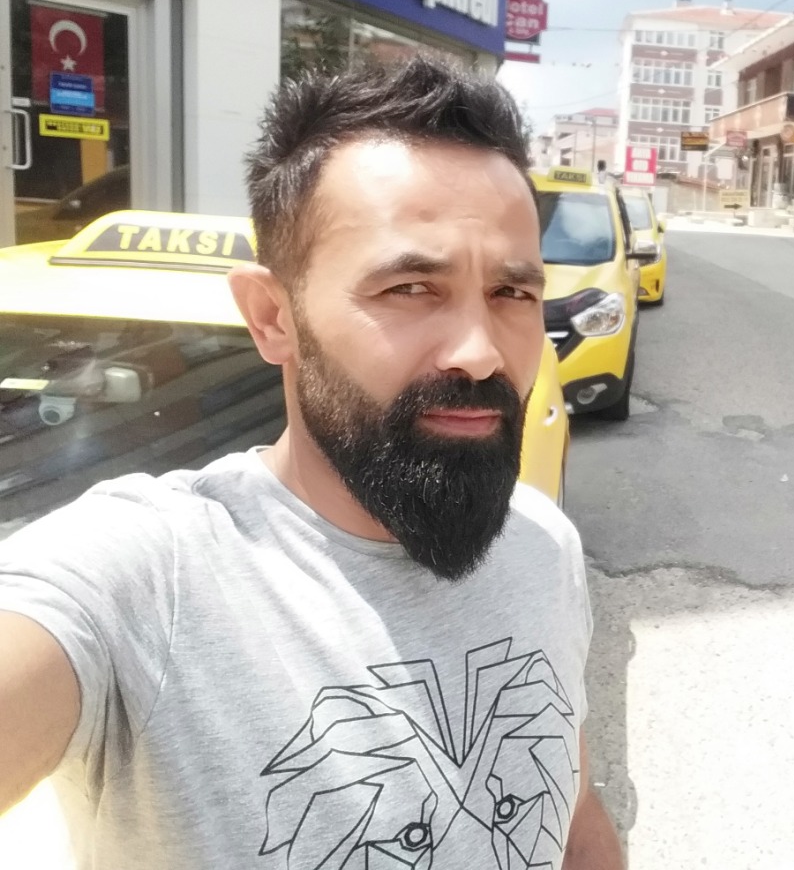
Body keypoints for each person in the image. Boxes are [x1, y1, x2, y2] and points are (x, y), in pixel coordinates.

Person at [0, 57, 623, 869]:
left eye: (512, 294)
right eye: (410, 288)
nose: (480, 352)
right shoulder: (143, 581)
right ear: (273, 317)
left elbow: (569, 811)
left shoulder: (541, 543)